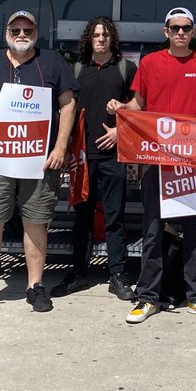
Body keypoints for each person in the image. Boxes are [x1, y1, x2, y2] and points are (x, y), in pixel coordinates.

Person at [108, 7, 196, 325]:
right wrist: (122, 109)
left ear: (193, 31)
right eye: (175, 28)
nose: (181, 33)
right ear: (166, 32)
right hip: (156, 160)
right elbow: (139, 104)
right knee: (152, 231)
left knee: (193, 232)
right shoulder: (149, 63)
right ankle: (148, 297)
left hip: (193, 161)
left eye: (186, 28)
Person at [0, 10, 78, 316]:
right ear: (6, 33)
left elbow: (68, 105)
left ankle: (35, 285)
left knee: (36, 221)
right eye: (16, 29)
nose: (22, 34)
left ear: (36, 33)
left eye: (28, 30)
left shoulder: (53, 62)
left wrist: (61, 147)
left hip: (39, 161)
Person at [53, 17, 136, 301]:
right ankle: (79, 272)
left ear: (113, 39)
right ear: (89, 39)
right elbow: (65, 109)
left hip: (114, 154)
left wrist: (120, 131)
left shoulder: (126, 68)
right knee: (82, 218)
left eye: (106, 35)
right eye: (96, 35)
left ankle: (117, 274)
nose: (101, 39)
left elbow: (139, 108)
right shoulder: (77, 69)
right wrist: (64, 146)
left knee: (115, 216)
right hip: (82, 155)